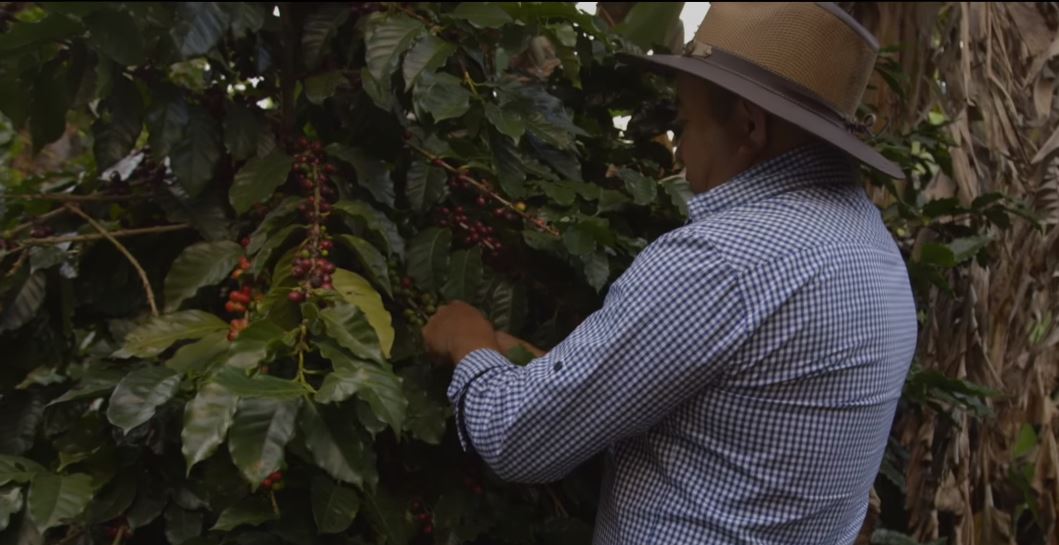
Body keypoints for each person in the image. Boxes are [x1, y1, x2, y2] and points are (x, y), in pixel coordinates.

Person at [421, 3, 918, 544]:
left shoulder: (721, 260)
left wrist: (466, 340)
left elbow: (522, 440)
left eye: (686, 124)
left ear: (749, 126)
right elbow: (731, 423)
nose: (679, 150)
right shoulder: (872, 247)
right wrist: (543, 372)